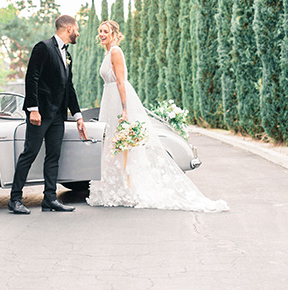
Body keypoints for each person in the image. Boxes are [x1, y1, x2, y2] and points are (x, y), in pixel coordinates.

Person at [87, 20, 229, 212]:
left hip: (118, 101)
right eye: (100, 31)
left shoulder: (115, 52)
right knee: (114, 144)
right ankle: (116, 188)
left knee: (123, 144)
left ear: (113, 33)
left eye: (105, 31)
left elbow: (121, 82)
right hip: (108, 99)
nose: (101, 34)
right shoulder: (107, 52)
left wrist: (125, 109)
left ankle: (128, 189)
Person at [8, 15, 88, 214]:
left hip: (58, 116)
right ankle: (14, 199)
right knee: (29, 153)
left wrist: (77, 116)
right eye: (76, 29)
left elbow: (68, 86)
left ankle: (50, 199)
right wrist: (33, 109)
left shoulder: (68, 55)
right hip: (40, 114)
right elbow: (32, 78)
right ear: (68, 28)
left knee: (53, 156)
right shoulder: (42, 47)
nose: (78, 33)